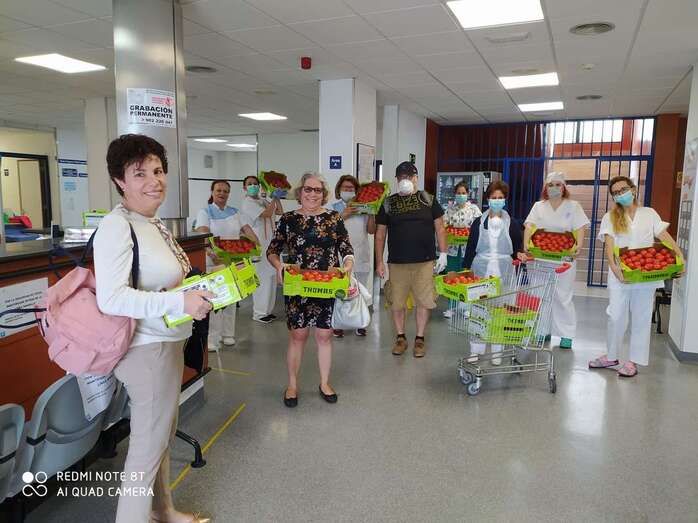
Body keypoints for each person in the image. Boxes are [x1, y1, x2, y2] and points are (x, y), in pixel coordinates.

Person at [94, 134, 213, 523]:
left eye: (158, 171)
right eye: (140, 173)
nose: (154, 181)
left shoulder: (152, 222)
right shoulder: (116, 226)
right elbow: (112, 299)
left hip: (168, 342)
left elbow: (162, 284)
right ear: (120, 180)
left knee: (160, 437)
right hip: (145, 350)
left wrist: (195, 292)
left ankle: (162, 510)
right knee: (146, 450)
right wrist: (179, 302)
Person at [267, 172, 354, 408]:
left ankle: (324, 383)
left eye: (318, 190)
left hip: (326, 284)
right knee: (298, 335)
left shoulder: (334, 218)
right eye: (308, 189)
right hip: (297, 285)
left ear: (323, 194)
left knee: (324, 335)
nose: (312, 194)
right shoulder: (288, 219)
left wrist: (347, 266)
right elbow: (272, 250)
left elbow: (346, 248)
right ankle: (292, 385)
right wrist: (279, 266)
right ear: (300, 191)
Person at [588, 175, 684, 377]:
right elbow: (609, 245)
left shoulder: (649, 213)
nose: (620, 194)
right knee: (615, 316)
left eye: (623, 190)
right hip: (621, 274)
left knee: (641, 317)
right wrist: (614, 267)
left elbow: (664, 237)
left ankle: (634, 361)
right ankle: (611, 356)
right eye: (616, 192)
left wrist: (679, 256)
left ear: (633, 189)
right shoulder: (610, 217)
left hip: (645, 275)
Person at [375, 161, 448, 358]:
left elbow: (440, 228)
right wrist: (379, 261)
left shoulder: (428, 199)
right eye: (401, 177)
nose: (405, 180)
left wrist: (443, 253)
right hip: (397, 262)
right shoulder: (388, 203)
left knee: (424, 301)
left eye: (409, 176)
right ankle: (400, 338)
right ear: (396, 179)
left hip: (424, 262)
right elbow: (380, 234)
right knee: (397, 302)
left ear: (416, 178)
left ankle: (419, 339)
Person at [462, 180, 527, 365]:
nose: (497, 200)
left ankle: (497, 351)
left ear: (505, 200)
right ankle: (476, 350)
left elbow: (517, 247)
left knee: (501, 312)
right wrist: (466, 270)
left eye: (500, 197)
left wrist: (520, 254)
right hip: (480, 270)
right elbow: (470, 248)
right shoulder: (479, 222)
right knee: (479, 311)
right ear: (488, 199)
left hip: (504, 271)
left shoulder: (512, 224)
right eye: (493, 197)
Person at [523, 172, 589, 349]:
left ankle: (566, 334)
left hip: (563, 259)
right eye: (550, 185)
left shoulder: (573, 206)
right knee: (540, 295)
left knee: (563, 297)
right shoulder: (538, 206)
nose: (554, 188)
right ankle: (542, 330)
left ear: (564, 187)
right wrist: (526, 244)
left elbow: (580, 227)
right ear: (545, 188)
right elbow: (529, 226)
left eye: (558, 184)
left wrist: (579, 246)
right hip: (539, 257)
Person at [195, 180, 259, 351]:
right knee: (215, 299)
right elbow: (203, 233)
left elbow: (247, 230)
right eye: (219, 190)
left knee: (232, 297)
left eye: (225, 191)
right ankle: (212, 338)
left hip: (232, 260)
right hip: (213, 261)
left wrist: (255, 243)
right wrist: (211, 252)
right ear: (212, 192)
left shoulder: (235, 212)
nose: (222, 193)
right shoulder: (205, 212)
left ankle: (227, 334)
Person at [330, 174, 376, 338]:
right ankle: (338, 324)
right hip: (340, 256)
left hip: (361, 254)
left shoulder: (363, 207)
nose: (348, 191)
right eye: (345, 188)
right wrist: (344, 214)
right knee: (340, 292)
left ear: (357, 191)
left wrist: (372, 212)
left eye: (351, 188)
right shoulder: (332, 207)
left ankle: (360, 324)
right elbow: (328, 229)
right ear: (339, 190)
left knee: (360, 291)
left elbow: (371, 230)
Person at [239, 175, 283, 324]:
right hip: (258, 243)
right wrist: (273, 199)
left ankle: (267, 311)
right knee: (261, 278)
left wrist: (276, 197)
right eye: (250, 184)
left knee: (271, 277)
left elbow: (279, 211)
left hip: (270, 242)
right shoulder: (247, 203)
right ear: (244, 187)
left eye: (255, 183)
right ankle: (259, 313)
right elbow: (267, 213)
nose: (253, 186)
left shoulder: (262, 200)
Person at [442, 181, 481, 318]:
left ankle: (466, 307)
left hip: (468, 250)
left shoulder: (474, 210)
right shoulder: (449, 209)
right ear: (455, 194)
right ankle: (451, 307)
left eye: (463, 193)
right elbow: (443, 226)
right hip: (452, 249)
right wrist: (449, 231)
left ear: (468, 194)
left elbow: (479, 228)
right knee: (452, 277)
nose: (461, 195)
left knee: (467, 277)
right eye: (458, 193)